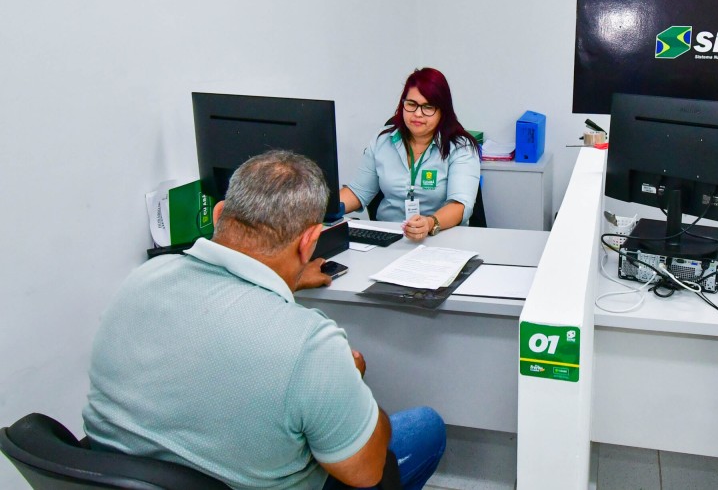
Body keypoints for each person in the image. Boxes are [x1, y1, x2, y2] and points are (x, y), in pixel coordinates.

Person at [82, 150, 446, 490]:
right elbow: (366, 472)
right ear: (310, 242)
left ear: (218, 214)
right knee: (425, 427)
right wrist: (351, 381)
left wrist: (288, 279)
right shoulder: (311, 345)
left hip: (126, 476)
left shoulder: (141, 281)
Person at [340, 68, 480, 242]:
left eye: (428, 107)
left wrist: (429, 223)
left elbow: (459, 205)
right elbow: (357, 192)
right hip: (388, 238)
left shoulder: (461, 147)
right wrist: (321, 209)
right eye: (411, 104)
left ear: (442, 111)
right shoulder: (382, 140)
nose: (418, 114)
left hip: (440, 238)